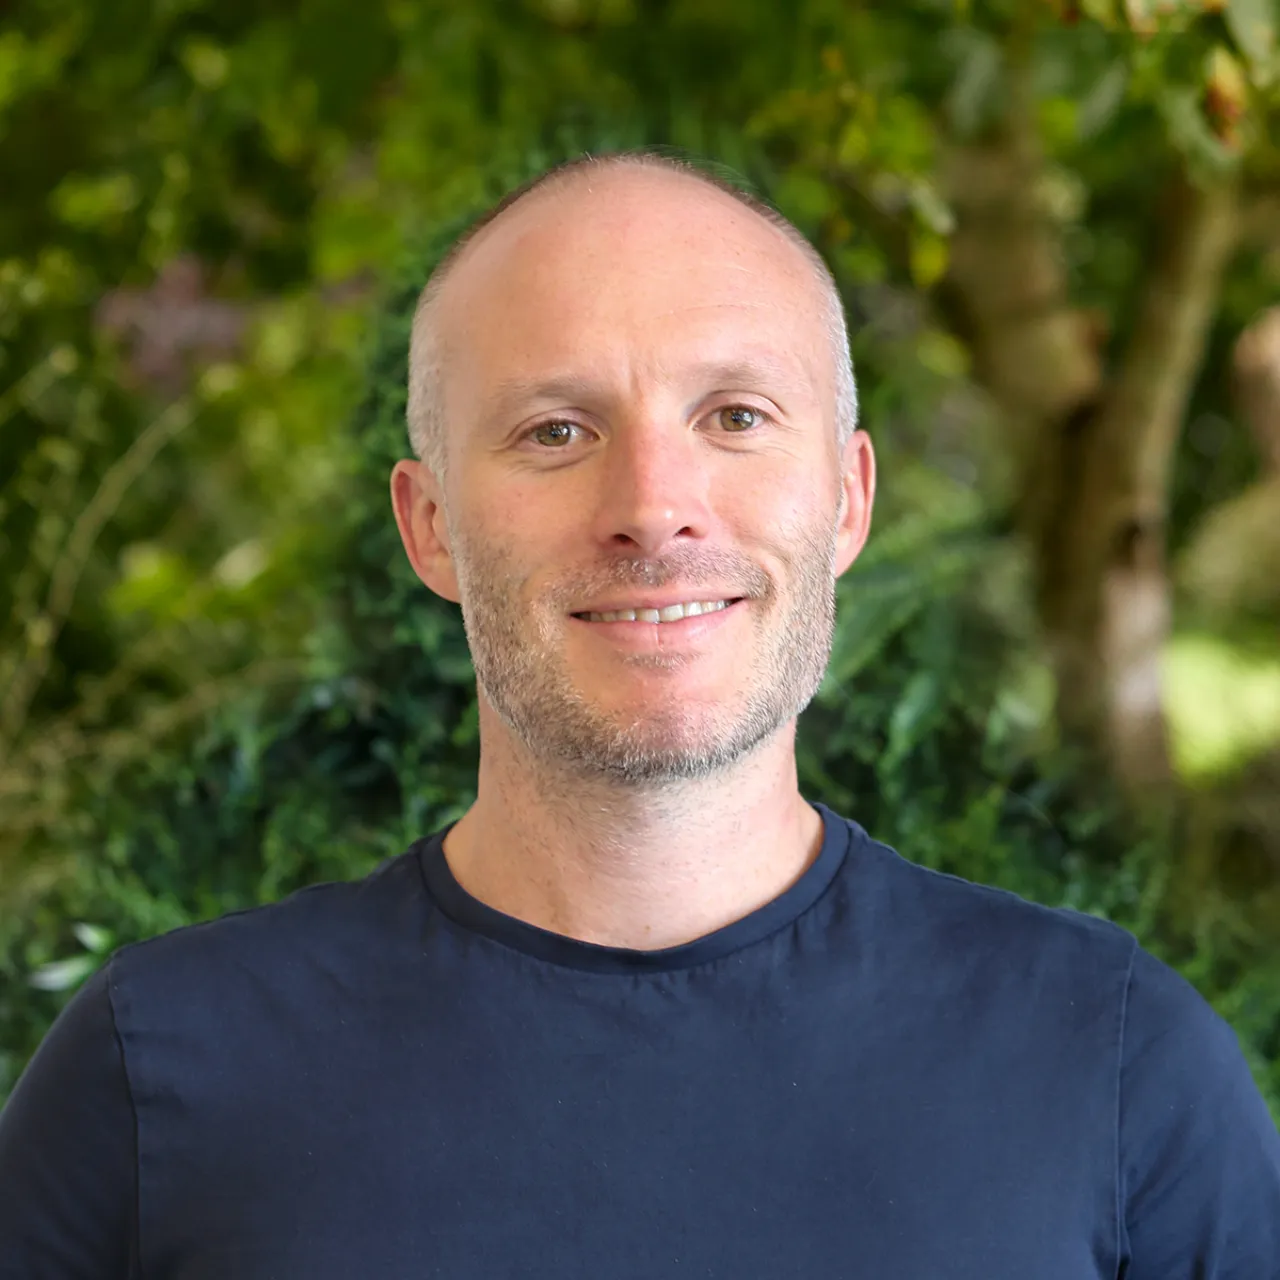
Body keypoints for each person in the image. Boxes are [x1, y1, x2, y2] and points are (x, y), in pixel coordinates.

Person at [1, 150, 1277, 1280]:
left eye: (733, 416)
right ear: (428, 523)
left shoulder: (1115, 1067)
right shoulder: (152, 1074)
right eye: (556, 429)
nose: (653, 504)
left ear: (845, 497)